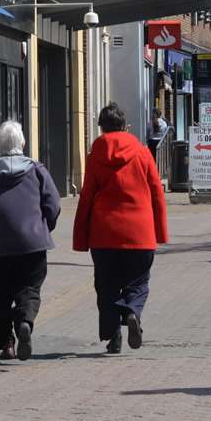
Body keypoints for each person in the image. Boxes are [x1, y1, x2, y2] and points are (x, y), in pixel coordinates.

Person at [74, 102, 168, 354]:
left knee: (106, 285)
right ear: (125, 126)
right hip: (139, 233)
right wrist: (160, 231)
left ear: (101, 128)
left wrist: (80, 237)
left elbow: (87, 197)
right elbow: (156, 192)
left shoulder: (95, 156)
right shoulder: (141, 152)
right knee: (138, 282)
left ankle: (113, 336)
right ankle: (132, 311)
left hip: (104, 234)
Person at [0, 121, 60, 360]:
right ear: (23, 143)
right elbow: (53, 203)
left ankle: (6, 344)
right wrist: (44, 227)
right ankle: (25, 323)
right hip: (32, 244)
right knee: (29, 288)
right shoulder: (37, 169)